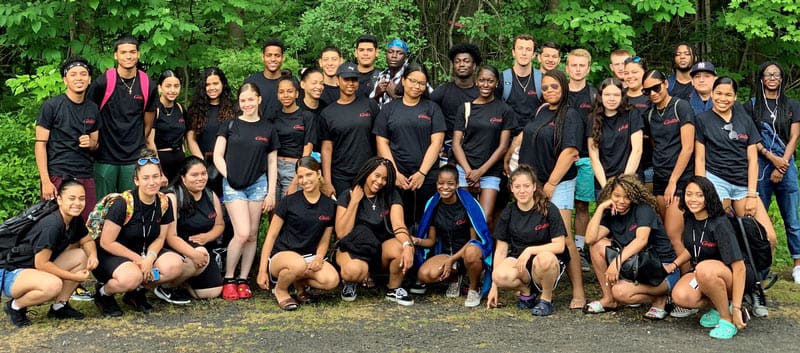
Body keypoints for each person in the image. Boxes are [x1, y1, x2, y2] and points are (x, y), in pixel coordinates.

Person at [507, 69, 586, 309]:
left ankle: (579, 292)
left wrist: (551, 183)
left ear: (563, 87)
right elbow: (527, 136)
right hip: (534, 183)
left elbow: (571, 151)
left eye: (554, 87)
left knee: (564, 237)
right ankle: (532, 287)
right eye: (545, 87)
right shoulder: (541, 110)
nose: (550, 91)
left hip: (557, 183)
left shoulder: (570, 115)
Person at [92, 151, 184, 316]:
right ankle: (103, 294)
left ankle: (136, 292)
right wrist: (139, 260)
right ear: (136, 180)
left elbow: (161, 237)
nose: (152, 182)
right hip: (113, 254)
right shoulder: (123, 203)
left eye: (156, 176)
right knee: (131, 277)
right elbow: (107, 242)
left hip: (144, 251)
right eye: (146, 178)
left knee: (174, 266)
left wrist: (150, 258)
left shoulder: (164, 202)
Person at [694, 76, 776, 257]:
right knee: (721, 237)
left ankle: (756, 281)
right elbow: (699, 158)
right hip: (716, 181)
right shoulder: (702, 120)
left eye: (728, 94)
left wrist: (752, 195)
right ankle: (726, 279)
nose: (723, 98)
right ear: (712, 94)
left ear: (735, 97)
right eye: (719, 93)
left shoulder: (745, 120)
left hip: (743, 185)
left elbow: (753, 160)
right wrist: (703, 191)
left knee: (768, 238)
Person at [213, 83, 280, 301]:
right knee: (240, 233)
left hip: (258, 184)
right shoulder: (230, 125)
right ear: (238, 103)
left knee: (251, 235)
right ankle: (229, 278)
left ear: (259, 100)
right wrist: (228, 175)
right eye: (243, 100)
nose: (247, 104)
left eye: (251, 99)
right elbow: (217, 156)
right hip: (233, 184)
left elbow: (272, 163)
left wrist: (271, 193)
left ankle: (243, 279)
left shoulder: (268, 128)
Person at [2, 179, 97, 327]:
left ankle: (59, 307)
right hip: (10, 272)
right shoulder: (52, 224)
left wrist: (93, 256)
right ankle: (15, 307)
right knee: (53, 285)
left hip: (32, 267)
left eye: (81, 198)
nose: (77, 203)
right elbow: (41, 264)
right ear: (59, 199)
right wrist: (74, 277)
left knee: (81, 255)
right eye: (71, 198)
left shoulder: (73, 218)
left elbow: (87, 240)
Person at [583, 175, 679, 319]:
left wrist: (616, 262)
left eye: (627, 197)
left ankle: (662, 297)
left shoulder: (643, 209)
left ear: (634, 197)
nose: (621, 201)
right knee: (596, 245)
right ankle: (609, 299)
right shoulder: (611, 213)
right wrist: (601, 208)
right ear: (610, 194)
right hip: (637, 266)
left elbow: (641, 240)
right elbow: (590, 239)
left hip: (662, 269)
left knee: (620, 291)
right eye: (616, 196)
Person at [641, 69, 696, 318]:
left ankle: (689, 292)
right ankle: (670, 288)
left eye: (656, 88)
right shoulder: (650, 113)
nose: (652, 93)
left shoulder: (680, 107)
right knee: (662, 234)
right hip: (660, 178)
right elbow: (655, 144)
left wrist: (675, 180)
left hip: (681, 179)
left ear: (666, 84)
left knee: (675, 235)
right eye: (647, 90)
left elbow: (687, 148)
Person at [256, 156, 339, 310]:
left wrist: (319, 258)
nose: (305, 180)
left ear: (318, 174)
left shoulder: (329, 205)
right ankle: (280, 290)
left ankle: (298, 282)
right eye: (300, 176)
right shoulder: (289, 201)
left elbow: (324, 239)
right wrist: (262, 271)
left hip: (309, 258)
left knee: (331, 280)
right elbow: (271, 237)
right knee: (297, 264)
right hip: (281, 257)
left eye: (309, 175)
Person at [671, 176, 749, 339]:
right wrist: (673, 265)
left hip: (729, 276)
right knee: (680, 296)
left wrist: (736, 306)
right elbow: (695, 248)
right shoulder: (690, 217)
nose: (693, 199)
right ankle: (720, 306)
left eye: (699, 195)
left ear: (708, 196)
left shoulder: (720, 223)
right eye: (689, 194)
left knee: (704, 269)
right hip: (703, 273)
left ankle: (727, 319)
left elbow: (739, 267)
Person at [486, 165, 568, 316]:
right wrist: (494, 286)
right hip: (521, 263)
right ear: (511, 188)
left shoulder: (549, 208)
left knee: (545, 259)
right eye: (517, 186)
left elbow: (560, 246)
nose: (522, 191)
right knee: (499, 275)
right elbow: (501, 249)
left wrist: (530, 250)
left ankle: (546, 299)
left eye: (526, 186)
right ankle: (527, 293)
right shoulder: (509, 212)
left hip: (546, 260)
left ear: (534, 187)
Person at [745, 61, 800, 284]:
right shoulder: (751, 106)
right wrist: (771, 158)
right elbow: (751, 137)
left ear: (781, 78)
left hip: (786, 164)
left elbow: (794, 136)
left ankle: (797, 263)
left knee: (793, 218)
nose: (772, 78)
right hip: (761, 165)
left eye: (776, 74)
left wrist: (783, 164)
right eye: (768, 74)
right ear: (761, 78)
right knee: (758, 219)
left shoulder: (792, 104)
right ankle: (760, 264)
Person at [335, 157, 415, 305]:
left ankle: (393, 289)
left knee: (400, 247)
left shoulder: (390, 195)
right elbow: (341, 234)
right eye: (377, 176)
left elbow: (398, 224)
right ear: (367, 173)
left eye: (384, 179)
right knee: (352, 271)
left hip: (379, 250)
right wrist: (354, 202)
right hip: (353, 249)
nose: (380, 182)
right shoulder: (348, 195)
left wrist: (407, 245)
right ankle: (352, 281)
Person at [374, 63, 445, 227]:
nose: (416, 86)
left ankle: (426, 252)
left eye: (421, 83)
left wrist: (422, 172)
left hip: (426, 176)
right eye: (413, 81)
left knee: (426, 221)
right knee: (397, 221)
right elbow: (381, 142)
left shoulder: (432, 109)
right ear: (404, 81)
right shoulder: (389, 109)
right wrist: (394, 173)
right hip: (397, 175)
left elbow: (437, 142)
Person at [87, 36, 159, 198]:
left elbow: (148, 123)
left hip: (133, 158)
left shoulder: (148, 85)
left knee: (130, 206)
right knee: (103, 207)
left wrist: (136, 143)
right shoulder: (102, 83)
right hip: (105, 157)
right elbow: (90, 116)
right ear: (115, 55)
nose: (128, 56)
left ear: (138, 54)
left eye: (132, 52)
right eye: (123, 52)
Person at [411, 165, 493, 307]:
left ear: (457, 185)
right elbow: (431, 241)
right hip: (447, 253)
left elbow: (474, 240)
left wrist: (453, 259)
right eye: (441, 183)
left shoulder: (468, 204)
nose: (445, 187)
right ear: (436, 184)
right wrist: (415, 241)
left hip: (467, 252)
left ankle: (474, 288)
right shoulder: (433, 205)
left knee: (472, 252)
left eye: (450, 184)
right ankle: (455, 277)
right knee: (424, 275)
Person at [452, 65, 517, 226]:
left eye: (490, 81)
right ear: (476, 81)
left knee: (485, 218)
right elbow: (456, 144)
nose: (485, 85)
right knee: (464, 218)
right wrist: (469, 172)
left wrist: (480, 172)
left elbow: (503, 146)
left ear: (496, 83)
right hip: (464, 170)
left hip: (490, 171)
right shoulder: (466, 108)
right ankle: (465, 251)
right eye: (482, 80)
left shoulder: (505, 110)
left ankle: (484, 251)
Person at [35, 56, 99, 221]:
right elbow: (40, 145)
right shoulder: (51, 106)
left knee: (87, 224)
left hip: (85, 173)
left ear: (89, 79)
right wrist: (46, 181)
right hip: (58, 174)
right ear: (65, 80)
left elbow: (96, 143)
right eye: (73, 74)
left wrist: (91, 143)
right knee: (54, 223)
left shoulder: (93, 108)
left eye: (83, 74)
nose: (79, 78)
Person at [160, 157, 223, 302]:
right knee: (201, 253)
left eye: (203, 173)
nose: (200, 178)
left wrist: (208, 236)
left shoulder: (209, 194)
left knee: (211, 292)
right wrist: (193, 254)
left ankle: (184, 280)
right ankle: (166, 286)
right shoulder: (173, 197)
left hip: (201, 246)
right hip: (175, 247)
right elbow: (171, 236)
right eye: (194, 175)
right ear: (183, 177)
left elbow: (220, 225)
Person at [319, 62, 380, 197]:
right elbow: (327, 148)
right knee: (343, 214)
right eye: (346, 79)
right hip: (340, 175)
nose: (351, 83)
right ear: (337, 81)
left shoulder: (370, 105)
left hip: (368, 172)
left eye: (354, 79)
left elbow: (379, 139)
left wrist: (380, 169)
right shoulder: (328, 113)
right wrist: (327, 181)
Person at [566, 48, 597, 263]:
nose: (577, 69)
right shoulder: (559, 90)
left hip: (585, 157)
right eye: (573, 65)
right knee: (560, 205)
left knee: (582, 204)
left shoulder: (594, 94)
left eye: (581, 65)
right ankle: (561, 246)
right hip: (560, 157)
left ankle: (579, 248)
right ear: (567, 68)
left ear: (588, 68)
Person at [186, 67, 236, 195]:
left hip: (228, 164)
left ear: (223, 84)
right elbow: (191, 138)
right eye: (208, 84)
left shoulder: (234, 108)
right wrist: (201, 162)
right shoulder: (195, 110)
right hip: (205, 164)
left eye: (215, 83)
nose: (212, 87)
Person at [588, 78, 643, 191]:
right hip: (603, 182)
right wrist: (606, 188)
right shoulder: (592, 119)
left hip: (630, 181)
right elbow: (594, 157)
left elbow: (637, 150)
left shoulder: (632, 114)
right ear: (600, 96)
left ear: (622, 96)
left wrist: (624, 183)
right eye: (607, 94)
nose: (611, 99)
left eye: (616, 95)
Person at [273, 71, 317, 200]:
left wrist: (296, 179)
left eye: (289, 91)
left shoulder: (306, 116)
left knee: (288, 206)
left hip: (295, 168)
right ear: (277, 95)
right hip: (274, 167)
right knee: (274, 210)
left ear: (297, 93)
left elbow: (308, 148)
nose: (285, 95)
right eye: (281, 92)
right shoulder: (273, 117)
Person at [431, 42, 481, 140]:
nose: (461, 64)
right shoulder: (441, 92)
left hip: (476, 146)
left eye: (466, 61)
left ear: (474, 65)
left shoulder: (481, 93)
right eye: (457, 61)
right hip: (447, 147)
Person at [148, 70, 187, 183]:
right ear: (160, 88)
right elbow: (149, 141)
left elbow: (186, 137)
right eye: (168, 86)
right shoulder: (155, 110)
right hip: (161, 161)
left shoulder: (180, 108)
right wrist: (159, 171)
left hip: (179, 162)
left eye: (176, 86)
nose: (172, 90)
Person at [623, 56, 653, 189]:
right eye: (626, 73)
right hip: (623, 163)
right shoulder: (618, 96)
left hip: (650, 163)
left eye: (635, 72)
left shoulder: (653, 96)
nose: (630, 76)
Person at [501, 34, 540, 129]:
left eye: (528, 49)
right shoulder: (501, 79)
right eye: (520, 48)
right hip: (507, 136)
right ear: (513, 52)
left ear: (534, 55)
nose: (524, 53)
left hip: (534, 135)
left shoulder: (542, 80)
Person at [244, 38, 285, 119]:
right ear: (263, 57)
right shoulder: (251, 82)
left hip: (285, 130)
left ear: (283, 58)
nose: (273, 59)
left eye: (277, 55)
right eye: (269, 55)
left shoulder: (290, 82)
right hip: (257, 129)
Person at [371, 38, 409, 107]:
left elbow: (424, 104)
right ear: (386, 55)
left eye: (399, 53)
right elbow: (370, 104)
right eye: (390, 52)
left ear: (406, 57)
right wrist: (377, 94)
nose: (394, 56)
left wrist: (395, 96)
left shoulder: (411, 76)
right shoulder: (382, 75)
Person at [354, 34, 383, 99]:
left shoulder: (382, 77)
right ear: (356, 52)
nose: (365, 54)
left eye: (369, 50)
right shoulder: (347, 76)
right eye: (361, 50)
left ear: (376, 52)